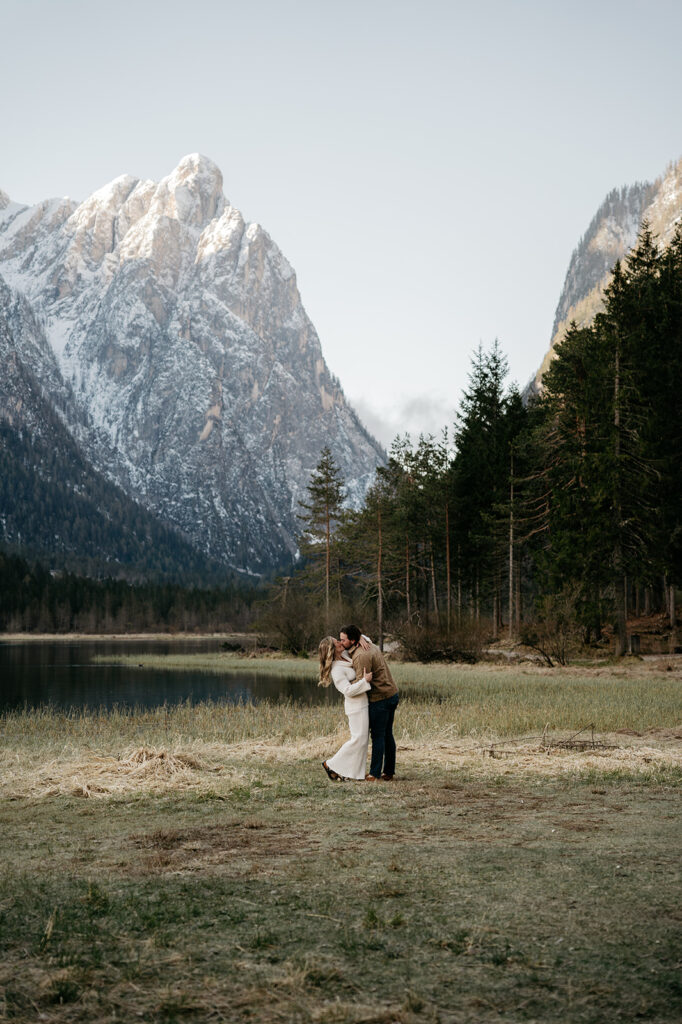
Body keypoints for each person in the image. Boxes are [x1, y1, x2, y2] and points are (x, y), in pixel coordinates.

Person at [340, 625, 399, 781]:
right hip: (392, 693)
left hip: (380, 699)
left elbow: (362, 683)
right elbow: (362, 636)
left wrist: (348, 685)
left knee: (378, 736)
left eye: (343, 640)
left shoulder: (360, 656)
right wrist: (361, 637)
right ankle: (388, 772)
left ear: (352, 640)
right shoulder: (368, 643)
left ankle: (374, 774)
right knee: (387, 734)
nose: (341, 642)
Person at [318, 636, 371, 781]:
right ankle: (330, 764)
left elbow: (367, 642)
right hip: (355, 706)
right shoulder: (336, 670)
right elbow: (347, 690)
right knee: (357, 739)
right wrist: (364, 681)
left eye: (340, 640)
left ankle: (355, 774)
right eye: (337, 643)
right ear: (332, 650)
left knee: (363, 740)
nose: (341, 643)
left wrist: (360, 637)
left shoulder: (346, 656)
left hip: (363, 703)